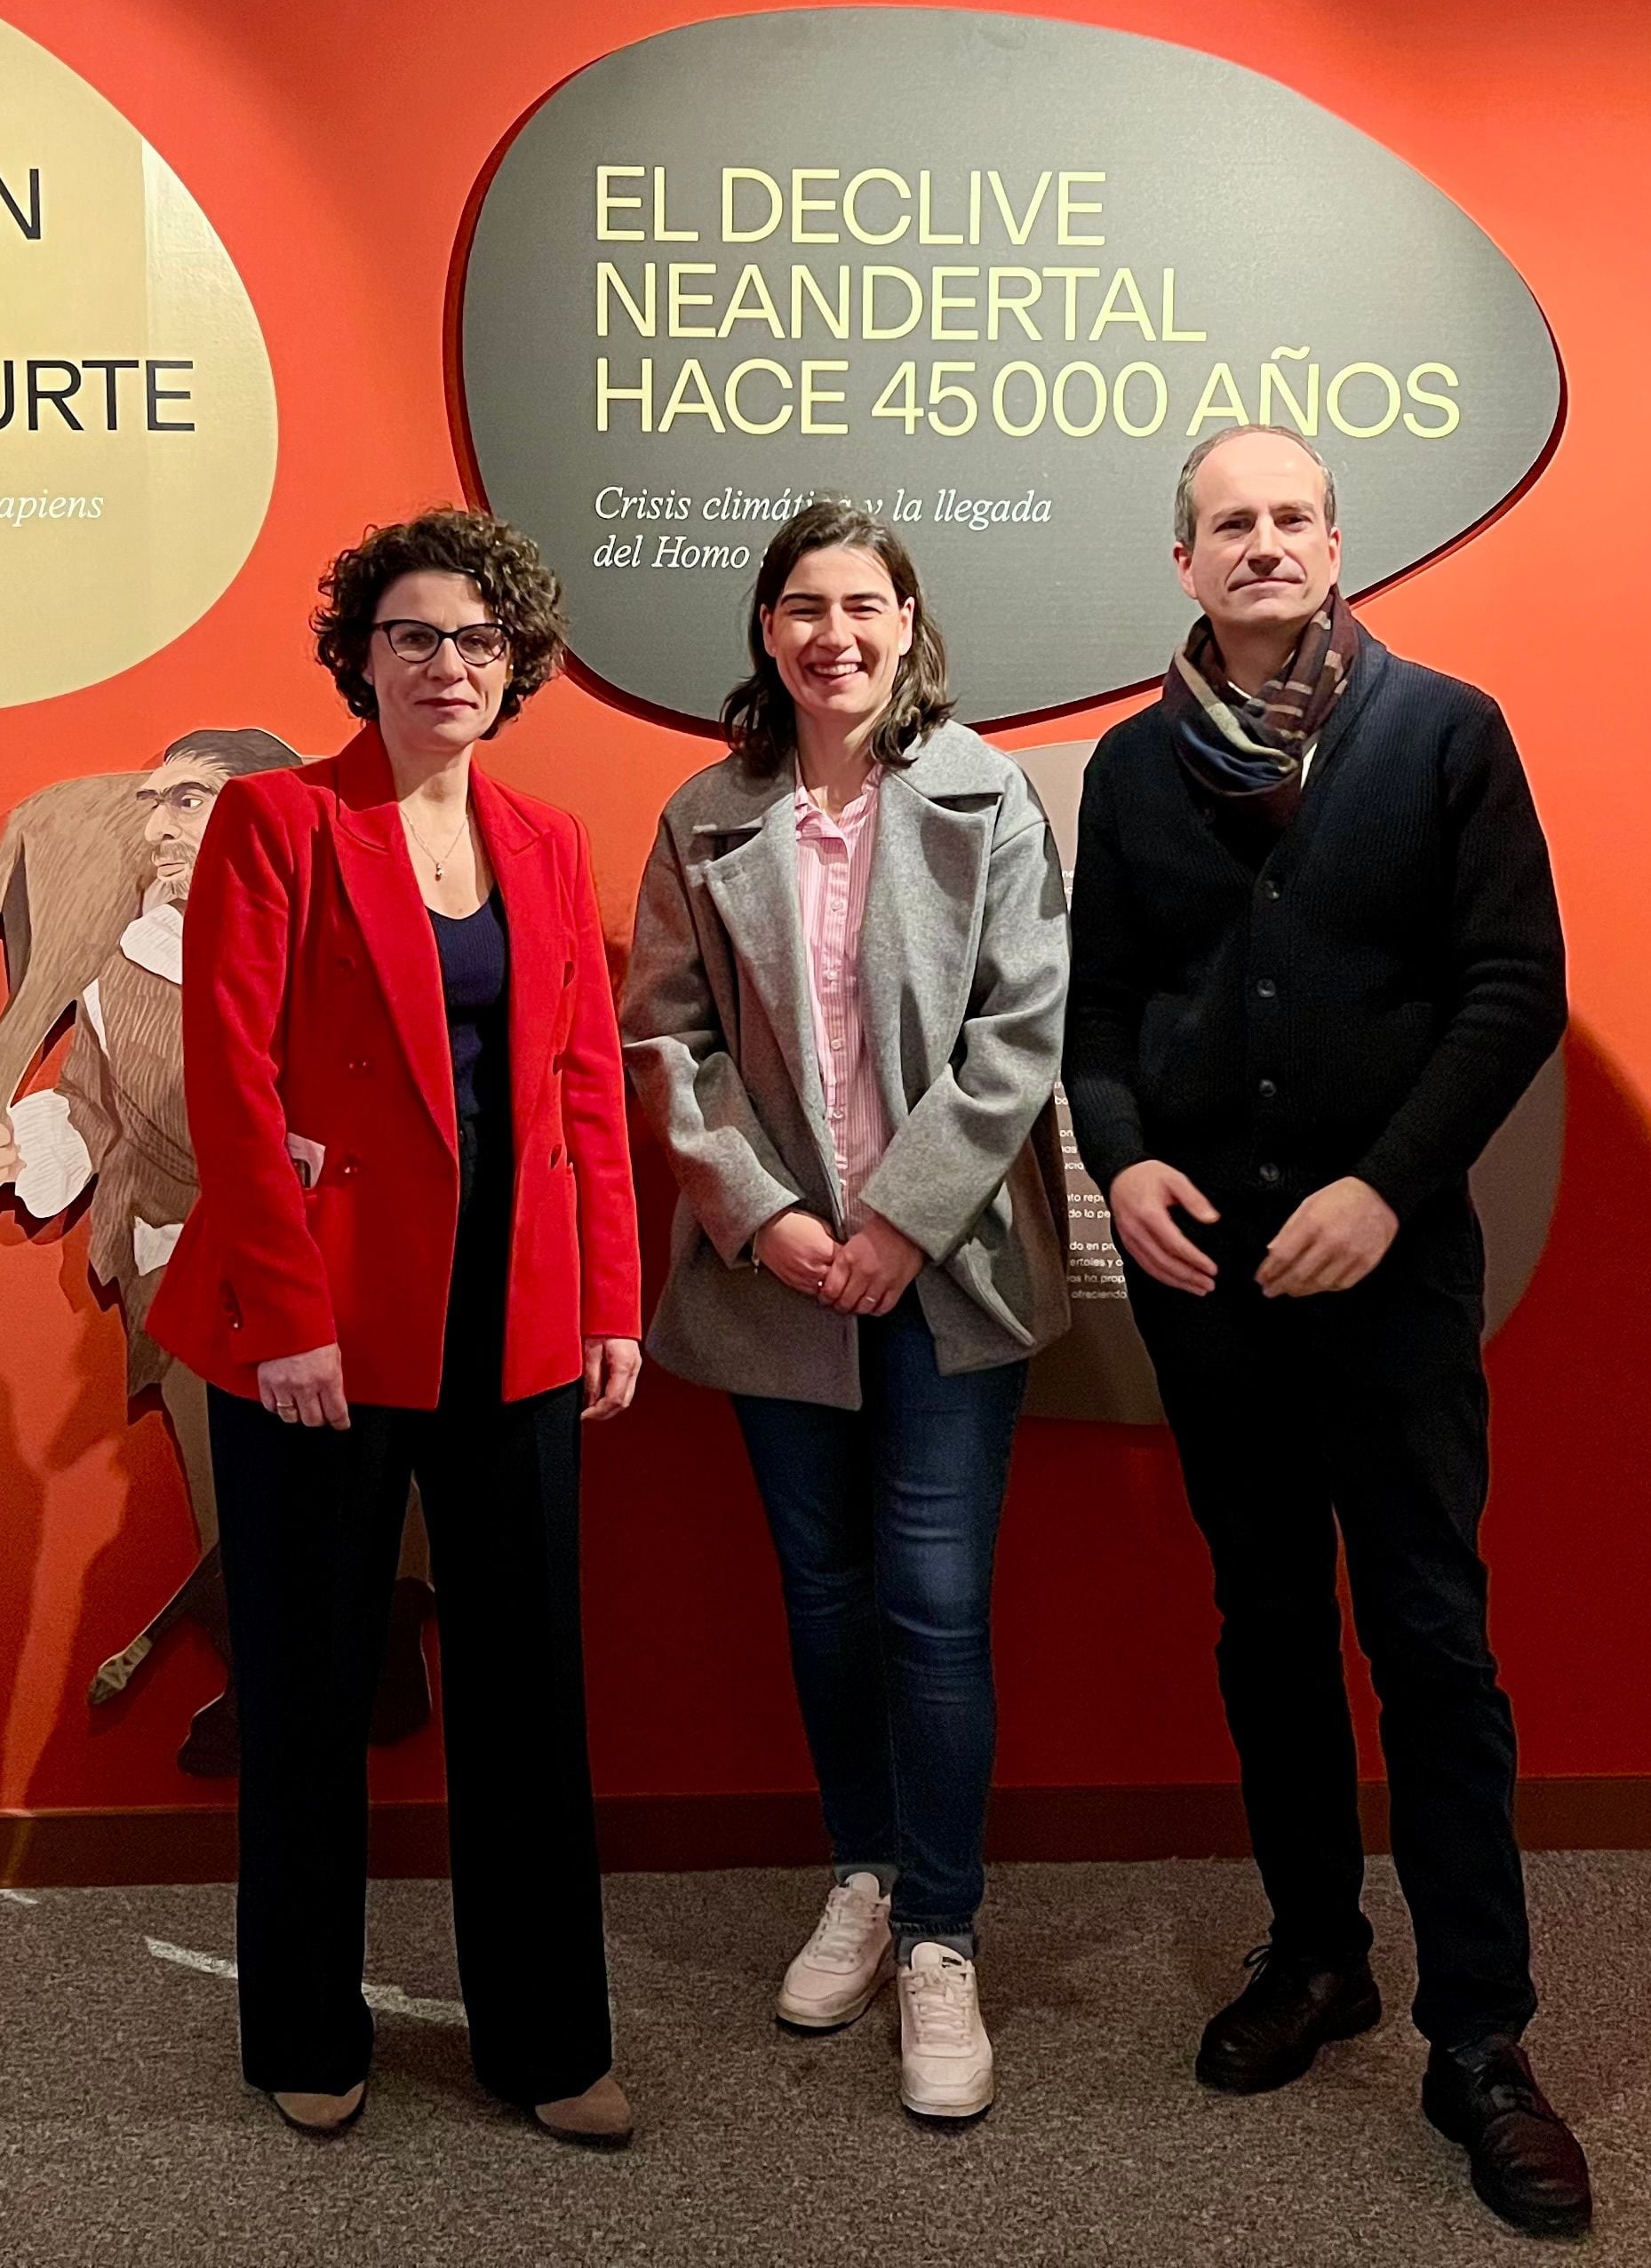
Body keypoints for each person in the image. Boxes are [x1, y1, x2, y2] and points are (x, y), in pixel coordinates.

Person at [1060, 426, 1592, 2238]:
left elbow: (1517, 987)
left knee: (1431, 1639)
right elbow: (1102, 1011)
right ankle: (1315, 1950)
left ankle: (1484, 2039)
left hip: (1392, 1274)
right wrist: (1121, 1167)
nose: (1264, 543)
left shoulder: (1444, 733)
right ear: (1189, 565)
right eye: (1230, 524)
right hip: (1205, 1277)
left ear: (1337, 544)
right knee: (1268, 1622)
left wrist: (1383, 1187)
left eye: (1291, 517)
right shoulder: (1136, 767)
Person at [147, 506, 643, 2149]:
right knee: (307, 1688)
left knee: (533, 1693)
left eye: (477, 640)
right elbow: (232, 1078)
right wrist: (288, 1316)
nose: (448, 664)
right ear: (359, 654)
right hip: (322, 1330)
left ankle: (546, 2036)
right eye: (414, 635)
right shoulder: (279, 821)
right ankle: (303, 2019)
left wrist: (610, 1298)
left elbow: (580, 1083)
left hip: (512, 1318)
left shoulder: (550, 840)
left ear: (519, 665)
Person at [620, 499, 1071, 2126]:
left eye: (862, 603)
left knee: (935, 1605)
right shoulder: (703, 814)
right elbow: (663, 1046)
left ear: (906, 620)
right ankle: (864, 1875)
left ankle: (943, 1936)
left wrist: (896, 1217)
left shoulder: (985, 794)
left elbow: (1022, 1030)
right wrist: (773, 1215)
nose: (834, 632)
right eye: (803, 605)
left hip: (942, 1270)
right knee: (821, 1593)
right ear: (764, 630)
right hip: (777, 1276)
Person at [0, 730, 440, 1776]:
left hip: (333, 1268)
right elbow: (90, 1113)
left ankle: (377, 1666)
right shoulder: (125, 969)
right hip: (182, 1268)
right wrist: (14, 1148)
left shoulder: (350, 948)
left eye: (187, 802)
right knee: (234, 1496)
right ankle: (275, 1699)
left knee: (377, 1498)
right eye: (156, 802)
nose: (159, 826)